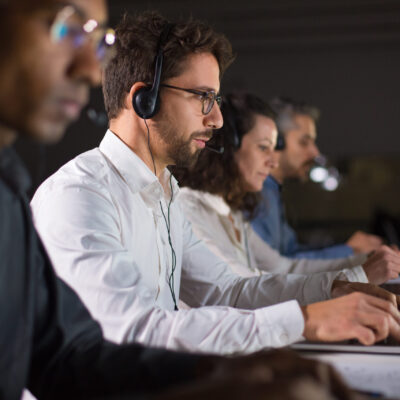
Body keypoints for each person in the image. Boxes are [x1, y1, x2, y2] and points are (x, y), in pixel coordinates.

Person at [1, 1, 353, 399]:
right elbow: (125, 337)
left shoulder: (166, 192)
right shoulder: (79, 196)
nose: (217, 120)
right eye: (202, 96)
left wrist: (338, 290)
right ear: (144, 100)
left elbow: (225, 291)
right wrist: (299, 321)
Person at [173, 92, 400, 285]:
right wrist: (357, 273)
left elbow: (285, 266)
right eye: (263, 148)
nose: (273, 162)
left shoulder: (229, 212)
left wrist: (360, 262)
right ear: (227, 148)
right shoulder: (189, 207)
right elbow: (240, 288)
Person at [251, 97, 383, 259]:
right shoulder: (255, 192)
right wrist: (349, 251)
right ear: (276, 141)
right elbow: (273, 266)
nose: (315, 153)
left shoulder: (272, 191)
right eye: (304, 142)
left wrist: (348, 247)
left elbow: (290, 251)